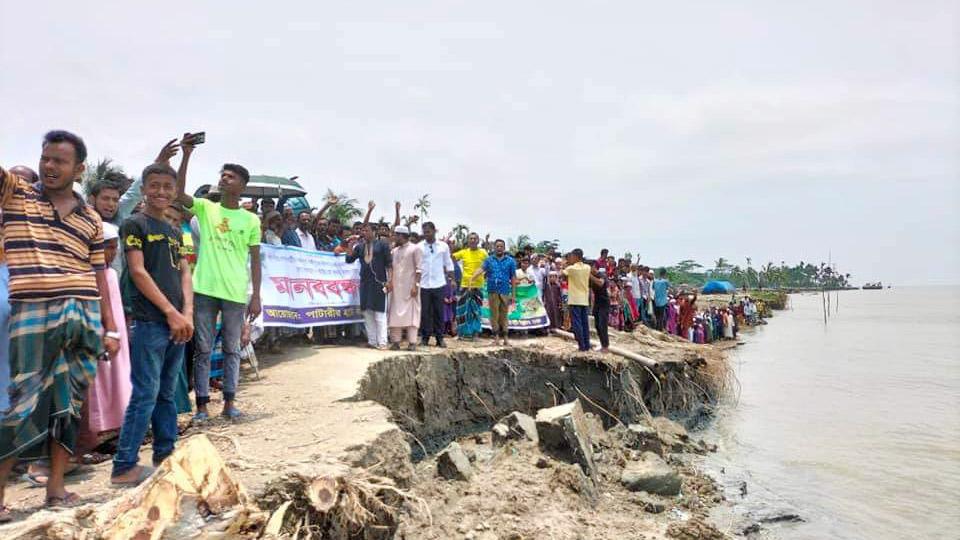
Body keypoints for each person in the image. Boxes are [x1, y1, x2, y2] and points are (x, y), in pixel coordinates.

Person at [0, 131, 120, 515]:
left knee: (69, 406)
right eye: (45, 158)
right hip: (34, 312)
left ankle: (55, 491)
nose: (49, 166)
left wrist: (111, 327)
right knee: (23, 403)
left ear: (79, 169)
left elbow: (99, 273)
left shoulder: (91, 219)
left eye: (59, 161)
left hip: (83, 314)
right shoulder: (16, 194)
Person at [112, 162, 194, 485]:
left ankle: (165, 453)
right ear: (144, 188)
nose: (161, 191)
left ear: (174, 192)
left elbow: (185, 273)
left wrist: (186, 313)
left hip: (178, 325)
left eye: (167, 187)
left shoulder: (177, 232)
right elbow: (137, 271)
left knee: (167, 394)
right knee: (145, 392)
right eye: (154, 185)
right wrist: (170, 313)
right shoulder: (134, 225)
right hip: (150, 322)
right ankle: (123, 466)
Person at [174, 133, 261, 421]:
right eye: (222, 175)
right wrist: (186, 155)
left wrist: (256, 295)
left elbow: (256, 260)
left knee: (233, 350)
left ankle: (229, 403)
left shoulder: (251, 220)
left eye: (231, 176)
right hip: (205, 288)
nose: (224, 179)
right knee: (202, 348)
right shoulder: (206, 208)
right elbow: (177, 193)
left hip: (235, 292)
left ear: (242, 186)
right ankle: (201, 406)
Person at [83, 222, 132, 450]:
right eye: (106, 247)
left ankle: (115, 426)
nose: (111, 253)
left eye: (114, 248)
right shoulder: (90, 274)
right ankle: (97, 431)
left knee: (117, 377)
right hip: (100, 332)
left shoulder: (111, 273)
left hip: (116, 332)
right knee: (99, 382)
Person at [345, 223, 392, 349]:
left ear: (374, 232)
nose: (363, 233)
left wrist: (390, 281)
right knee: (367, 312)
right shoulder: (359, 247)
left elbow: (389, 264)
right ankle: (372, 341)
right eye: (362, 230)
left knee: (380, 313)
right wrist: (350, 244)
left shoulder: (382, 245)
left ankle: (382, 342)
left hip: (379, 283)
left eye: (366, 230)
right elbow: (349, 259)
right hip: (365, 283)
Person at [472, 239, 517, 346]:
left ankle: (506, 338)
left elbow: (513, 278)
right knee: (494, 315)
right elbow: (481, 269)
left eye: (501, 246)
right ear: (494, 247)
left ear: (504, 248)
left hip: (505, 291)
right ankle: (496, 338)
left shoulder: (510, 261)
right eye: (497, 246)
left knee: (504, 315)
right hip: (492, 291)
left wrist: (514, 294)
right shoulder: (489, 260)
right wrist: (473, 277)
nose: (499, 248)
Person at [419, 222, 454, 347]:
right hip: (424, 284)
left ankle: (440, 338)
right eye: (424, 232)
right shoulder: (419, 246)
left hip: (439, 283)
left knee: (439, 311)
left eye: (428, 231)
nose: (426, 234)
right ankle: (425, 337)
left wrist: (453, 279)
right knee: (425, 312)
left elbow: (448, 263)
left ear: (434, 231)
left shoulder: (443, 246)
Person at [387, 226, 422, 350]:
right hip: (397, 288)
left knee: (412, 314)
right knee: (395, 313)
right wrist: (390, 282)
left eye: (396, 235)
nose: (394, 237)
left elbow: (419, 269)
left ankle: (412, 342)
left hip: (410, 288)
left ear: (402, 236)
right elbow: (391, 268)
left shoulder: (415, 249)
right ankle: (395, 342)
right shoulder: (394, 251)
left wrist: (416, 285)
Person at [453, 233, 488, 340]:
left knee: (476, 310)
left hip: (478, 286)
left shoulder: (483, 252)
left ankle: (475, 334)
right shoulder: (463, 252)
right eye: (470, 239)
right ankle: (461, 333)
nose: (472, 240)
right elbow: (450, 258)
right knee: (462, 310)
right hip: (464, 285)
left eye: (474, 239)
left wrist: (484, 276)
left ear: (478, 240)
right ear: (468, 241)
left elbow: (488, 265)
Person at [563, 249, 592, 352]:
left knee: (577, 323)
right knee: (585, 323)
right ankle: (587, 345)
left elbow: (563, 274)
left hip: (575, 299)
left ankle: (581, 345)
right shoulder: (587, 267)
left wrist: (565, 264)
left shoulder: (571, 268)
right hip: (584, 299)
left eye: (571, 256)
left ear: (576, 257)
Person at [590, 267, 611, 352]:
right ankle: (602, 344)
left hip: (604, 303)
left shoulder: (601, 275)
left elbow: (600, 283)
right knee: (597, 325)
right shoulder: (591, 277)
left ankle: (605, 346)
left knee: (603, 325)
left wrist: (590, 276)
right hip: (597, 303)